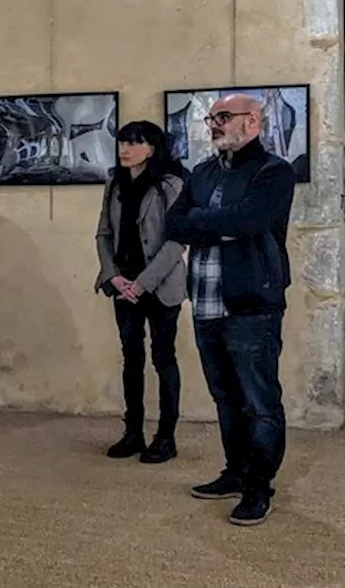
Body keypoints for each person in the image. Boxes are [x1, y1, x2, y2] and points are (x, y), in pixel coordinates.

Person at [164, 92, 295, 527]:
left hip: (251, 303)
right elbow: (174, 225)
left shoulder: (273, 172)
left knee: (259, 400)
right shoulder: (201, 172)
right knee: (226, 398)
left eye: (223, 116)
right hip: (204, 303)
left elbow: (249, 221)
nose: (213, 124)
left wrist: (204, 222)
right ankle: (235, 472)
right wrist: (212, 224)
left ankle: (259, 485)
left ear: (252, 121)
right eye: (211, 117)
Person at [93, 121, 187, 464]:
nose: (125, 148)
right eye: (122, 142)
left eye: (134, 143)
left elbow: (177, 240)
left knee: (164, 358)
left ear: (152, 148)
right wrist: (112, 275)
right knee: (131, 359)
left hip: (160, 284)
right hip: (123, 284)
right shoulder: (114, 182)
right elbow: (103, 233)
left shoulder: (171, 185)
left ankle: (165, 437)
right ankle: (133, 432)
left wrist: (143, 282)